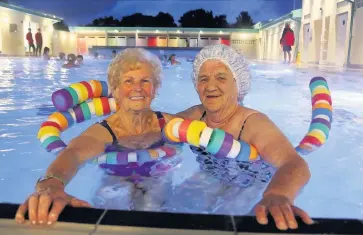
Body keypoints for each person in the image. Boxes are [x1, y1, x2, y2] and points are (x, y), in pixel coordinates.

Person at [15, 48, 176, 225]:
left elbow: (200, 124)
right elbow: (73, 154)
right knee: (112, 199)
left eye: (145, 81)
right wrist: (52, 185)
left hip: (158, 178)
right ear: (115, 89)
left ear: (155, 88)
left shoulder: (169, 123)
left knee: (154, 205)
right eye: (128, 81)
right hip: (117, 179)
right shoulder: (104, 132)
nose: (137, 88)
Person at [173, 44, 313, 230]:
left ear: (237, 84)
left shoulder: (253, 124)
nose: (210, 86)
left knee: (232, 224)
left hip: (250, 182)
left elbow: (295, 164)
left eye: (221, 77)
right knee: (175, 209)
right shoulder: (194, 116)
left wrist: (278, 194)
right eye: (203, 78)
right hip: (210, 174)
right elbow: (158, 126)